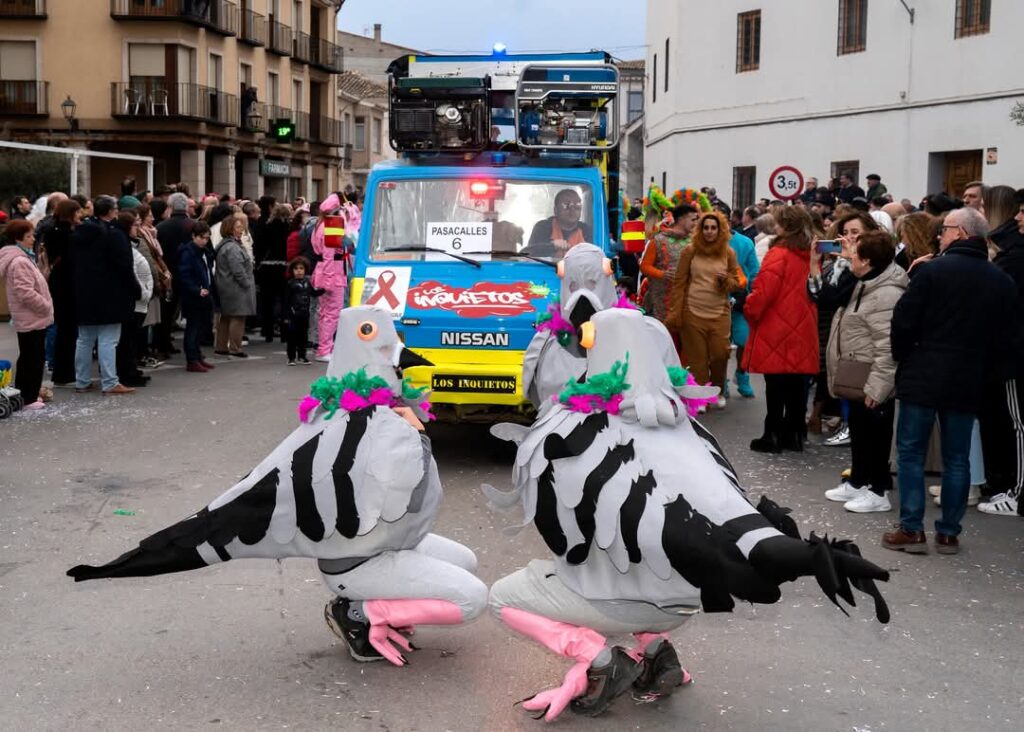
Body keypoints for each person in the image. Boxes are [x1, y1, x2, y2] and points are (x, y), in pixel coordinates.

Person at [884, 207, 1016, 555]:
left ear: (959, 233)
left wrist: (903, 356)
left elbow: (903, 319)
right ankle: (948, 531)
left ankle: (912, 528)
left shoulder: (931, 272)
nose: (938, 236)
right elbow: (1007, 337)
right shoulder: (999, 279)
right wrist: (988, 375)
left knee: (911, 452)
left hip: (924, 372)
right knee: (957, 457)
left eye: (943, 230)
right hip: (968, 377)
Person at [818, 231, 908, 513]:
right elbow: (832, 296)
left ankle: (878, 490)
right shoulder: (866, 280)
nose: (849, 258)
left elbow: (887, 347)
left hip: (872, 376)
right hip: (857, 372)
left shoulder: (887, 294)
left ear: (867, 260)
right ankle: (858, 481)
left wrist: (878, 387)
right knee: (860, 430)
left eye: (854, 255)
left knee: (876, 436)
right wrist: (848, 261)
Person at [743, 206, 819, 453]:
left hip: (776, 324)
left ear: (784, 225)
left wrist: (749, 308)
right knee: (798, 384)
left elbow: (763, 291)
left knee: (775, 384)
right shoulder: (810, 253)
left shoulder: (779, 253)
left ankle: (772, 434)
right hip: (803, 323)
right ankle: (795, 433)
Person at [664, 210, 744, 407]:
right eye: (706, 227)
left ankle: (717, 389)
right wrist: (676, 312)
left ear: (720, 230)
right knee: (697, 359)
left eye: (713, 228)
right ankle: (701, 397)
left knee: (720, 354)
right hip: (693, 311)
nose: (709, 232)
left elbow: (737, 282)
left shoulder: (728, 252)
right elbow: (679, 283)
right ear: (700, 229)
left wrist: (727, 281)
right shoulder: (689, 251)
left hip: (719, 312)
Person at [976, 188, 1024, 517]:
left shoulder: (1013, 254)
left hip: (1012, 354)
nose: (1018, 217)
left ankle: (1017, 494)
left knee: (1017, 426)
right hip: (1008, 351)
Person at [71, 195, 138, 396]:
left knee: (84, 339)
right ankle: (110, 382)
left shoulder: (79, 232)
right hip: (110, 292)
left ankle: (82, 381)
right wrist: (133, 289)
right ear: (110, 211)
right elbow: (124, 265)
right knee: (108, 339)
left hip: (84, 291)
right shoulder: (113, 234)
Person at [0, 220, 53, 410]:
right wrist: (45, 306)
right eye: (29, 236)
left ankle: (28, 393)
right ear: (18, 238)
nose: (33, 239)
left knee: (32, 356)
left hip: (32, 316)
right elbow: (25, 291)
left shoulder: (24, 257)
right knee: (32, 357)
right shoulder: (19, 261)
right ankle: (28, 396)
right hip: (31, 316)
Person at [42, 199, 83, 386]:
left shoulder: (51, 230)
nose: (80, 216)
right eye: (77, 212)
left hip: (58, 282)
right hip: (68, 284)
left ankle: (61, 371)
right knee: (69, 330)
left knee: (63, 329)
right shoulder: (69, 234)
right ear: (71, 213)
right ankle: (65, 372)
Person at [640, 203, 699, 322]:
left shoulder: (695, 242)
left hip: (687, 304)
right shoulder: (658, 240)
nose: (695, 223)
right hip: (661, 304)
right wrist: (663, 274)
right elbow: (644, 266)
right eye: (693, 219)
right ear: (682, 219)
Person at [112, 211, 151, 388]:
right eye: (135, 225)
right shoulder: (125, 247)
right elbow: (130, 273)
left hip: (140, 298)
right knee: (127, 340)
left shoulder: (131, 245)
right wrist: (142, 292)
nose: (138, 228)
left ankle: (131, 370)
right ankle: (126, 373)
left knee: (131, 339)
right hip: (135, 300)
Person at [154, 192, 194, 357]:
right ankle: (192, 348)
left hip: (169, 274)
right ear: (185, 207)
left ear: (170, 207)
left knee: (166, 313)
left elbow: (157, 254)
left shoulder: (161, 227)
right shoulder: (194, 226)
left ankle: (163, 344)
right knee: (192, 314)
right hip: (190, 274)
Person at [213, 214, 256, 358]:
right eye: (238, 227)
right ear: (229, 229)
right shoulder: (232, 247)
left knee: (225, 317)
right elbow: (237, 270)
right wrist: (247, 284)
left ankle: (221, 346)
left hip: (227, 286)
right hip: (235, 288)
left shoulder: (227, 245)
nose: (241, 229)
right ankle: (235, 348)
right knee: (238, 318)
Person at [178, 222, 217, 373]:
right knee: (193, 328)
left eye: (207, 238)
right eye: (201, 238)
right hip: (194, 296)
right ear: (193, 236)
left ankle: (198, 356)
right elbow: (184, 275)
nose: (204, 241)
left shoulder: (203, 251)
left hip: (204, 293)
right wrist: (196, 289)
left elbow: (207, 270)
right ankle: (192, 359)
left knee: (200, 327)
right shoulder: (188, 252)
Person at [727, 226, 760, 398]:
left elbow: (754, 269)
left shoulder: (745, 242)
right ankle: (720, 380)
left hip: (741, 300)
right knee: (720, 347)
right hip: (715, 301)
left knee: (744, 341)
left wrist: (753, 291)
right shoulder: (705, 241)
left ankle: (741, 374)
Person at [256, 204, 291, 343]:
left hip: (266, 267)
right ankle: (284, 332)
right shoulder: (286, 229)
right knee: (284, 301)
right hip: (282, 266)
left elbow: (258, 246)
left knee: (267, 301)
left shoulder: (265, 227)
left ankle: (268, 331)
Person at [527, 189, 593, 257]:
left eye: (577, 205)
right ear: (556, 210)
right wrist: (552, 246)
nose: (572, 210)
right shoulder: (543, 227)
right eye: (566, 205)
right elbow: (527, 254)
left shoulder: (587, 231)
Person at [283, 257, 323, 365]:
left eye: (301, 268)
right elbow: (286, 300)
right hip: (293, 314)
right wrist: (286, 316)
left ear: (305, 270)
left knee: (303, 336)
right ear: (292, 271)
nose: (299, 271)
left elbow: (314, 293)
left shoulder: (307, 283)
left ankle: (302, 355)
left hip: (305, 314)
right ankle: (291, 357)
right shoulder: (290, 284)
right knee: (292, 337)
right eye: (296, 269)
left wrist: (323, 290)